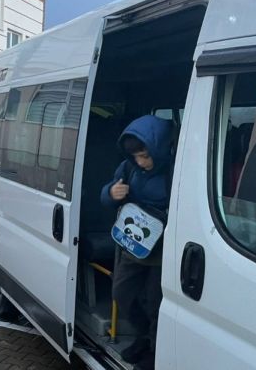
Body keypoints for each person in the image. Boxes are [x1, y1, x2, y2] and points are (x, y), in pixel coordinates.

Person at [100, 115, 173, 370]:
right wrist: (111, 193)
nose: (141, 162)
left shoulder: (175, 170)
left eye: (145, 155)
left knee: (156, 302)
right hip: (132, 244)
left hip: (161, 249)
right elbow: (107, 193)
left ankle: (154, 350)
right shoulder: (129, 167)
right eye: (136, 157)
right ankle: (143, 336)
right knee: (122, 293)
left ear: (159, 149)